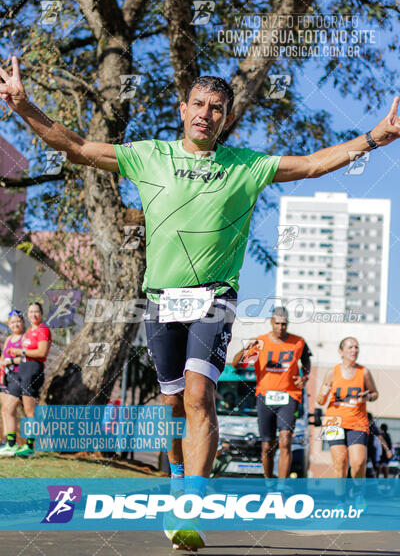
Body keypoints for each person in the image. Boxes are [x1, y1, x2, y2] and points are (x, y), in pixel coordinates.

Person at [2, 56, 400, 549]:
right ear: (182, 108)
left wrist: (374, 137)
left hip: (214, 297)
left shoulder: (245, 167)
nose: (206, 114)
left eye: (216, 108)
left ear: (226, 118)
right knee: (170, 403)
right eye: (198, 104)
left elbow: (313, 163)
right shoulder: (150, 157)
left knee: (198, 395)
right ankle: (175, 477)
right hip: (160, 300)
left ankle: (193, 503)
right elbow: (78, 146)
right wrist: (24, 106)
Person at [232, 306, 311, 478]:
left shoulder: (298, 342)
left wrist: (305, 377)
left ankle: (281, 488)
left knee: (285, 441)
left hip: (289, 395)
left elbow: (306, 361)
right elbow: (237, 365)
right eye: (278, 323)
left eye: (284, 324)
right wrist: (246, 348)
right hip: (265, 396)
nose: (281, 328)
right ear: (271, 322)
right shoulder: (260, 343)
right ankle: (268, 482)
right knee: (267, 445)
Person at [316, 337, 379, 478]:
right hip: (334, 421)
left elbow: (375, 394)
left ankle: (357, 494)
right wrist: (324, 392)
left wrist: (368, 397)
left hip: (357, 421)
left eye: (356, 347)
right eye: (350, 347)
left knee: (358, 462)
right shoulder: (332, 372)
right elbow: (320, 401)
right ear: (341, 351)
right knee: (340, 462)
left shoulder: (364, 372)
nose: (354, 350)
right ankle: (340, 500)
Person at [0, 302, 51, 457]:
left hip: (31, 371)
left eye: (36, 312)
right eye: (31, 312)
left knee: (29, 411)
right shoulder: (30, 331)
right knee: (7, 408)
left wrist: (18, 352)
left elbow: (41, 353)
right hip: (22, 372)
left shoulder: (43, 329)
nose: (33, 315)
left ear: (41, 313)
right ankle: (11, 444)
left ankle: (30, 447)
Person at [0, 310, 25, 455]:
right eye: (13, 322)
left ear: (23, 323)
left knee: (9, 409)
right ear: (9, 324)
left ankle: (13, 443)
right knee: (5, 410)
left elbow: (27, 358)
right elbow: (3, 358)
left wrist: (11, 361)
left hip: (19, 376)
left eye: (18, 321)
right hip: (6, 377)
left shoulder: (24, 339)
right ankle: (6, 441)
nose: (16, 324)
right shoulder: (9, 339)